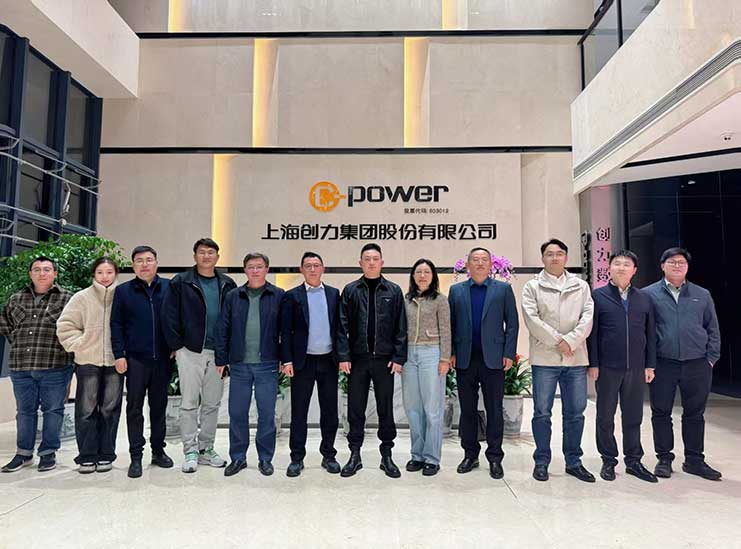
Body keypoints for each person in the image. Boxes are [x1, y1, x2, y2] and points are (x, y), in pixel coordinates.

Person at [644, 247, 722, 481]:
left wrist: (711, 358)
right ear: (662, 266)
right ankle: (664, 459)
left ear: (687, 267)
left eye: (681, 262)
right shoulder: (648, 294)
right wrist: (648, 362)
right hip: (663, 363)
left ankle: (694, 460)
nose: (677, 266)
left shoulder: (702, 294)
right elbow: (644, 330)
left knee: (695, 413)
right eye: (672, 262)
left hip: (697, 363)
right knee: (661, 412)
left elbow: (712, 328)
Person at [521, 238, 595, 483]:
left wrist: (570, 341)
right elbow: (532, 320)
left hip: (575, 359)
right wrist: (558, 341)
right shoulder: (532, 286)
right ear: (542, 258)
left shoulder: (581, 286)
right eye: (550, 254)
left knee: (575, 413)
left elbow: (588, 317)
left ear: (566, 257)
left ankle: (574, 462)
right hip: (545, 359)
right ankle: (541, 461)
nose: (555, 257)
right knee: (542, 412)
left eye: (559, 253)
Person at [161, 238, 236, 473]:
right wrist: (178, 346)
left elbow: (234, 318)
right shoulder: (181, 282)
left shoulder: (227, 283)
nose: (206, 256)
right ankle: (190, 450)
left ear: (217, 257)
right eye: (202, 252)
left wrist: (229, 351)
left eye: (211, 252)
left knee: (212, 404)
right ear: (195, 256)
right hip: (190, 351)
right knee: (189, 403)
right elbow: (169, 315)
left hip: (218, 354)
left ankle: (206, 448)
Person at [336, 243, 407, 478]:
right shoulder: (350, 290)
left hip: (384, 361)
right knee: (355, 408)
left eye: (375, 259)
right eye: (367, 259)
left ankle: (387, 456)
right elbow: (341, 326)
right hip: (357, 360)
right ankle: (354, 455)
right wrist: (343, 356)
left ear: (382, 262)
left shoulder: (393, 291)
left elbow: (401, 327)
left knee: (385, 409)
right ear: (360, 263)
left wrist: (398, 356)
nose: (371, 262)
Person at [587, 250, 657, 483]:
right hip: (607, 367)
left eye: (627, 264)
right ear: (609, 268)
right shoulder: (598, 296)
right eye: (617, 263)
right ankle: (608, 460)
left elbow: (651, 334)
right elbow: (592, 334)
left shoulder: (644, 298)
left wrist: (650, 365)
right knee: (605, 416)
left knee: (633, 415)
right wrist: (593, 363)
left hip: (636, 367)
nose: (621, 267)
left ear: (634, 270)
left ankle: (634, 461)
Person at [449, 247, 519, 479]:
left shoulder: (503, 289)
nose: (480, 263)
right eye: (475, 259)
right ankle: (470, 454)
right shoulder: (456, 291)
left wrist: (509, 353)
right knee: (467, 410)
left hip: (494, 359)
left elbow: (512, 324)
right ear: (467, 264)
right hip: (465, 359)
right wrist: (451, 352)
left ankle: (495, 457)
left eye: (484, 260)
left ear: (491, 264)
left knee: (495, 410)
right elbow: (450, 325)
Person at [0, 257, 73, 473]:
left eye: (47, 269)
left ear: (55, 274)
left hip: (55, 365)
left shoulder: (67, 298)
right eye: (37, 269)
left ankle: (48, 453)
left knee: (53, 410)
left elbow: (75, 327)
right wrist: (18, 340)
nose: (42, 273)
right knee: (24, 411)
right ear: (30, 273)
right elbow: (4, 323)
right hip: (21, 366)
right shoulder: (16, 298)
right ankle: (23, 453)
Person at [216, 252, 285, 477]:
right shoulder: (233, 296)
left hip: (267, 363)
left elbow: (286, 330)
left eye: (259, 266)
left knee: (266, 414)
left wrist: (285, 358)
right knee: (237, 412)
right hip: (239, 364)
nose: (255, 270)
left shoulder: (278, 295)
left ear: (267, 269)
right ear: (245, 270)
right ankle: (238, 457)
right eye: (251, 267)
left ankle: (265, 458)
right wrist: (221, 359)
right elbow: (223, 327)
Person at [110, 245, 174, 478]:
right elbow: (116, 324)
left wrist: (175, 345)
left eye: (149, 260)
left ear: (156, 262)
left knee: (159, 407)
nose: (144, 264)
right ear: (133, 265)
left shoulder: (169, 287)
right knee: (134, 408)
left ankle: (158, 451)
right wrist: (119, 354)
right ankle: (136, 456)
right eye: (139, 260)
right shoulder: (123, 291)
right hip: (135, 359)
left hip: (163, 359)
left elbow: (177, 319)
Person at [57, 257, 123, 474]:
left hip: (115, 361)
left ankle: (106, 455)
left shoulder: (122, 297)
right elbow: (65, 326)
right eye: (100, 272)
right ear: (94, 274)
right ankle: (86, 456)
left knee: (110, 409)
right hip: (87, 362)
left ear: (116, 274)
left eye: (109, 272)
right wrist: (81, 344)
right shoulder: (81, 298)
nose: (105, 277)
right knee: (86, 409)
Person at [280, 252, 341, 477]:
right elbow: (285, 331)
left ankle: (329, 455)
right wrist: (286, 359)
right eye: (308, 266)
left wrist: (343, 356)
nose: (312, 269)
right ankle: (297, 458)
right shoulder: (292, 296)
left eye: (316, 265)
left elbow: (340, 329)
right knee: (299, 412)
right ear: (301, 269)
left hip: (328, 360)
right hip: (302, 362)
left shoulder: (334, 294)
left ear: (323, 268)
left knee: (330, 412)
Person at [402, 258, 451, 476]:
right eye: (418, 272)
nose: (422, 275)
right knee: (412, 407)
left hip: (432, 353)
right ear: (413, 276)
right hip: (408, 355)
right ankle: (417, 455)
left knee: (432, 408)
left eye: (427, 272)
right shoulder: (406, 300)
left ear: (433, 276)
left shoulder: (440, 300)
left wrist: (445, 358)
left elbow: (447, 330)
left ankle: (432, 457)